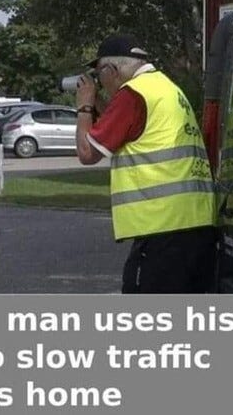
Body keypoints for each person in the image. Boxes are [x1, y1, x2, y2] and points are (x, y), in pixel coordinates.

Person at [75, 33, 216, 294]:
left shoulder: (132, 94)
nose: (100, 83)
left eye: (99, 75)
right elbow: (128, 131)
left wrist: (84, 107)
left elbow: (87, 153)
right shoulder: (165, 88)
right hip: (196, 224)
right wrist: (99, 103)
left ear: (111, 69)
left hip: (163, 227)